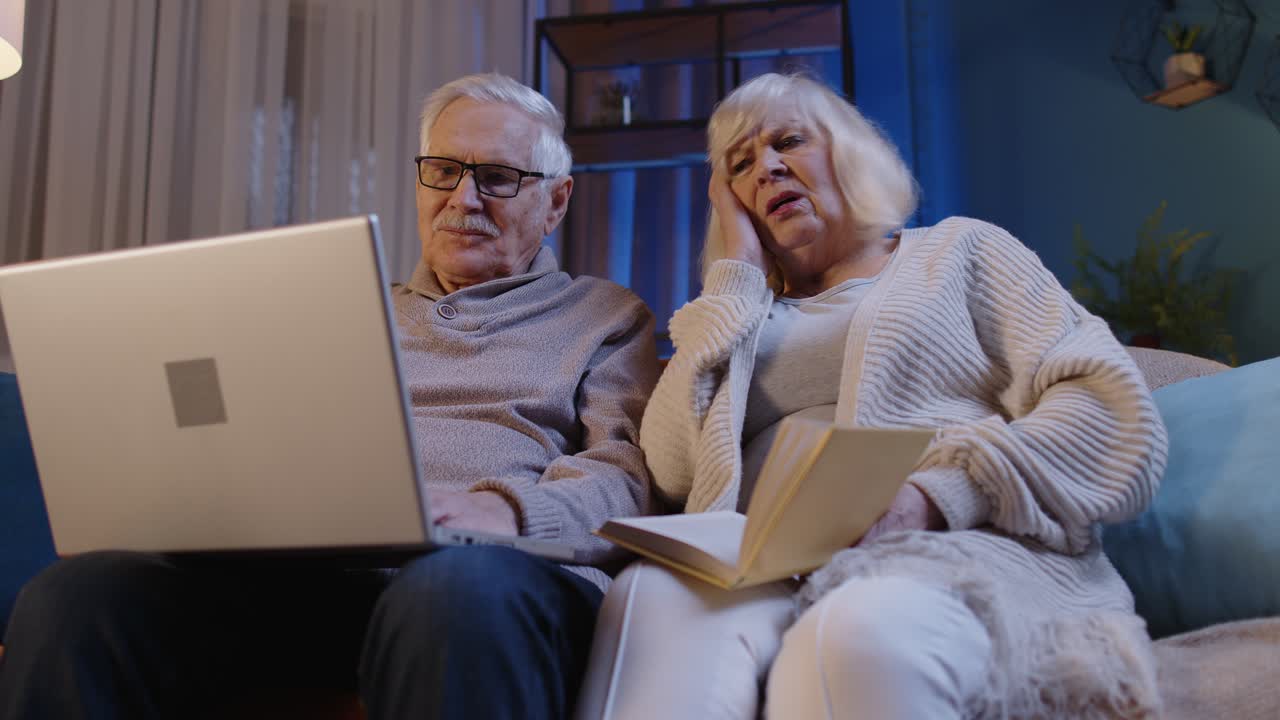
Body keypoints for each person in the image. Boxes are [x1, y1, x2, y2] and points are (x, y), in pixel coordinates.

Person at [0, 73, 660, 720]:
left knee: (451, 590)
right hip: (310, 587)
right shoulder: (335, 304)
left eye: (498, 177)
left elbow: (625, 480)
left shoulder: (602, 314)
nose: (463, 198)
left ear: (556, 201)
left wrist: (502, 511)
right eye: (443, 171)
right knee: (78, 596)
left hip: (487, 582)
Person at [575, 72, 1168, 720]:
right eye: (739, 166)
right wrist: (734, 280)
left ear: (851, 151)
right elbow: (674, 472)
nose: (767, 169)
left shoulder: (961, 251)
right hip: (760, 569)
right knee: (648, 595)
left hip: (945, 554)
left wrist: (936, 496)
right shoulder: (740, 313)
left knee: (852, 630)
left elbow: (1113, 411)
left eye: (788, 141)